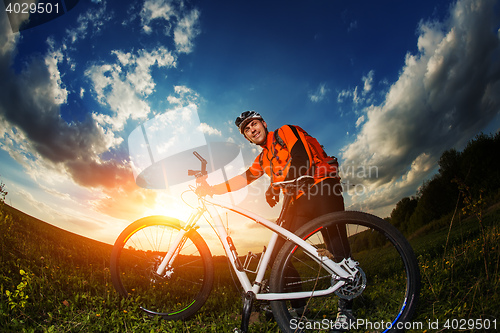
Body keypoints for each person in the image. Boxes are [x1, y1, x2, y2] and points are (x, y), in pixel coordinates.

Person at [197, 111, 351, 326]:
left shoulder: (284, 132)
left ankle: (347, 308)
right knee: (278, 253)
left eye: (254, 124)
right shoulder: (262, 158)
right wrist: (213, 189)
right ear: (248, 138)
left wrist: (277, 185)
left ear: (264, 124)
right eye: (247, 130)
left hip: (321, 187)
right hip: (298, 200)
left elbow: (300, 155)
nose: (252, 129)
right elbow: (243, 179)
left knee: (336, 249)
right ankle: (298, 310)